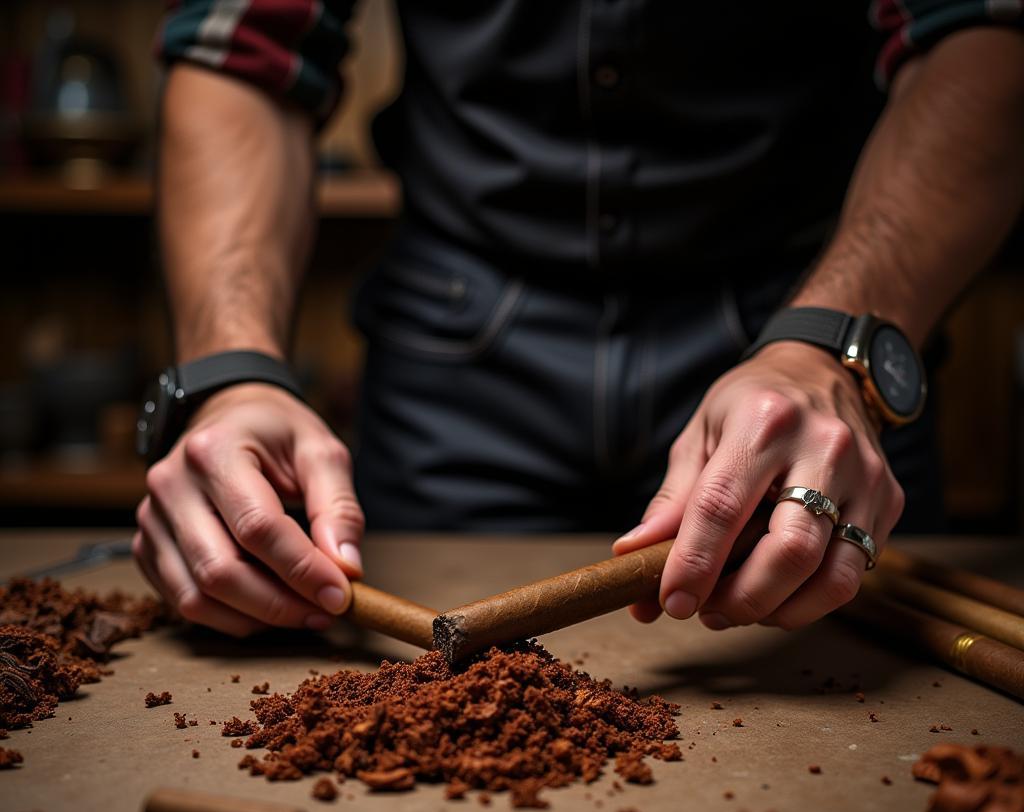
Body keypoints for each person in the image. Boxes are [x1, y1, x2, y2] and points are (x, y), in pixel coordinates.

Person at [133, 1, 1024, 638]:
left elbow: (983, 29)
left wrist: (832, 347)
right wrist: (230, 372)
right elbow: (244, 46)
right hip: (457, 359)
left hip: (806, 340)